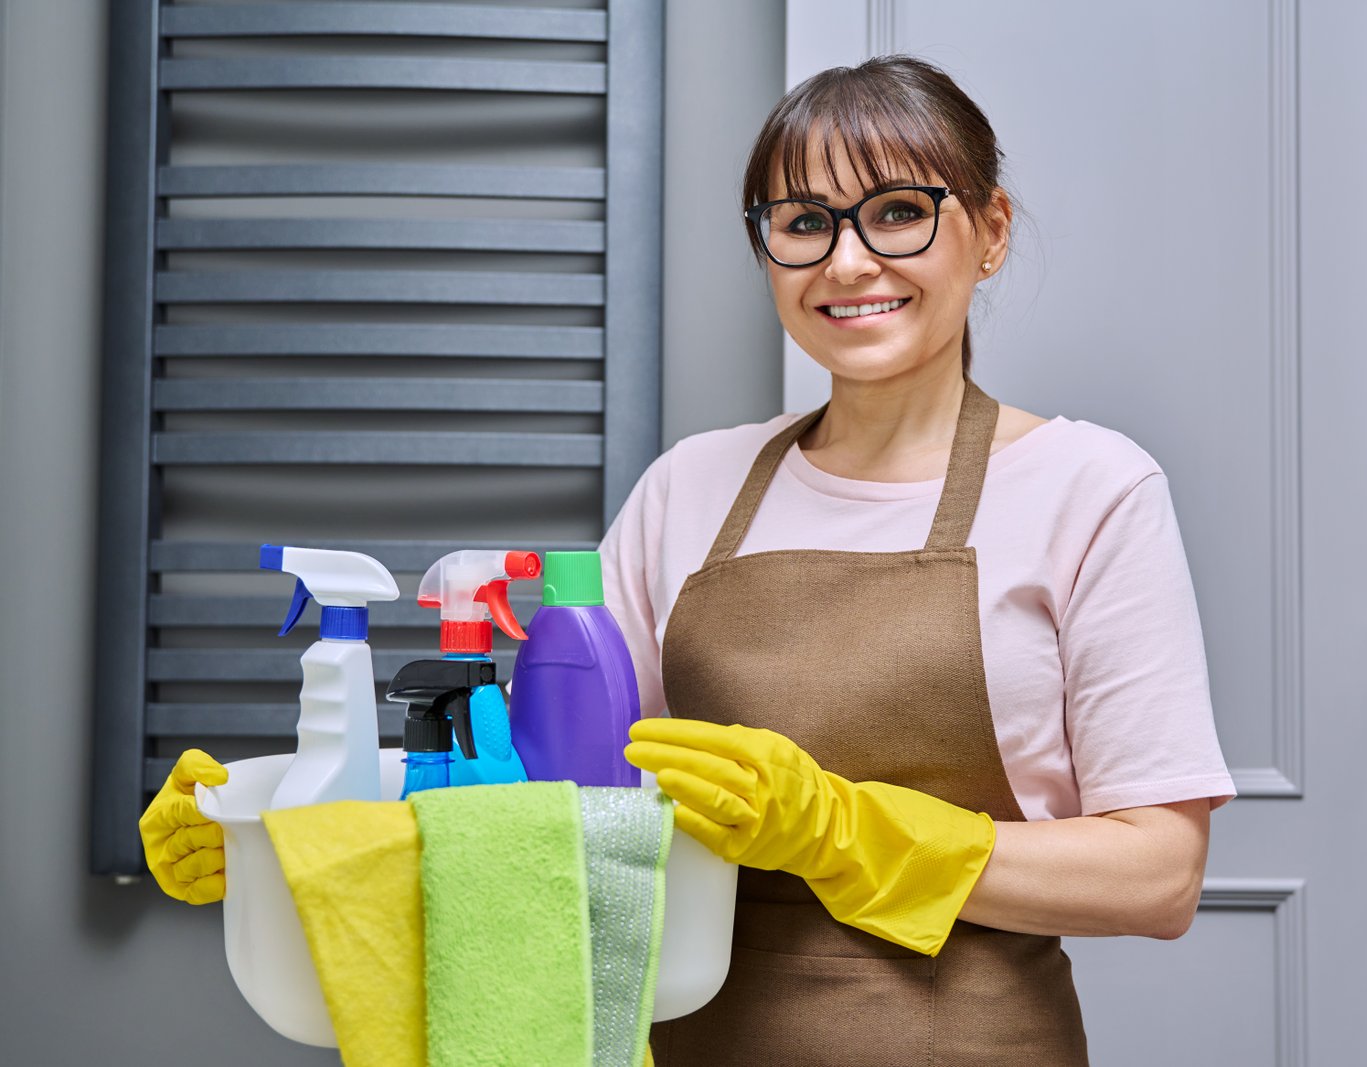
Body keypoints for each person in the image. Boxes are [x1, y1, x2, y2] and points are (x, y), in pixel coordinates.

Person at [141, 54, 1235, 1065]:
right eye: (803, 222)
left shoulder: (1092, 488)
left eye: (899, 212)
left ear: (988, 231)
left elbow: (1156, 873)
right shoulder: (692, 487)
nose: (849, 261)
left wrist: (844, 830)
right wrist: (283, 837)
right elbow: (560, 804)